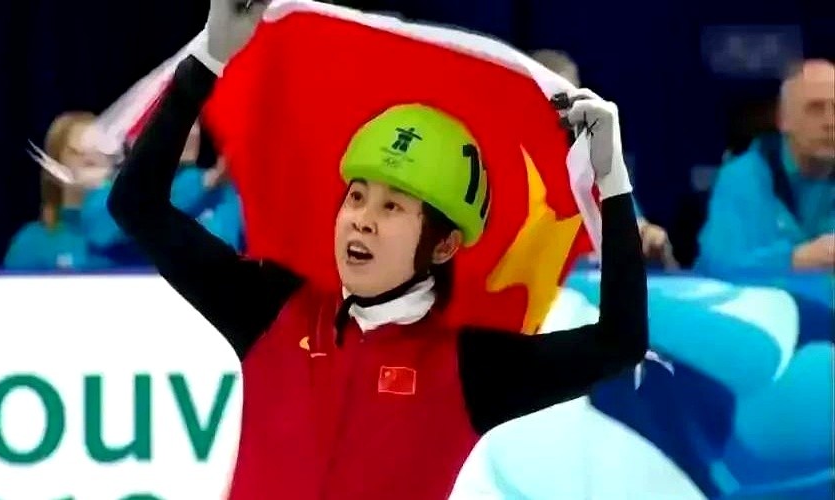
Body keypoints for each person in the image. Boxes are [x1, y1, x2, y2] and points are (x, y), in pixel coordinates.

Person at [107, 2, 648, 499]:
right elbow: (136, 205)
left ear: (444, 244)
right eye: (357, 196)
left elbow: (619, 344)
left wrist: (613, 181)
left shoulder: (469, 369)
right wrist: (209, 58)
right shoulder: (270, 308)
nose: (362, 219)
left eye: (392, 207)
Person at [532, 49, 677, 267]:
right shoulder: (500, 172)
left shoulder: (596, 167)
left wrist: (649, 237)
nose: (561, 113)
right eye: (549, 99)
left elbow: (635, 229)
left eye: (568, 102)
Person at [696, 59, 835, 275]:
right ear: (783, 120)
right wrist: (795, 260)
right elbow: (719, 265)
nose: (830, 122)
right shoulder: (742, 178)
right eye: (815, 109)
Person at [80, 121, 244, 266]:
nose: (192, 132)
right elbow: (106, 228)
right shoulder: (106, 195)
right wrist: (202, 184)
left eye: (194, 122)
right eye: (175, 119)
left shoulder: (220, 189)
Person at [4, 111, 114, 270]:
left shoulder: (132, 235)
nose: (90, 159)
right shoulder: (31, 243)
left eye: (99, 151)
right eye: (77, 152)